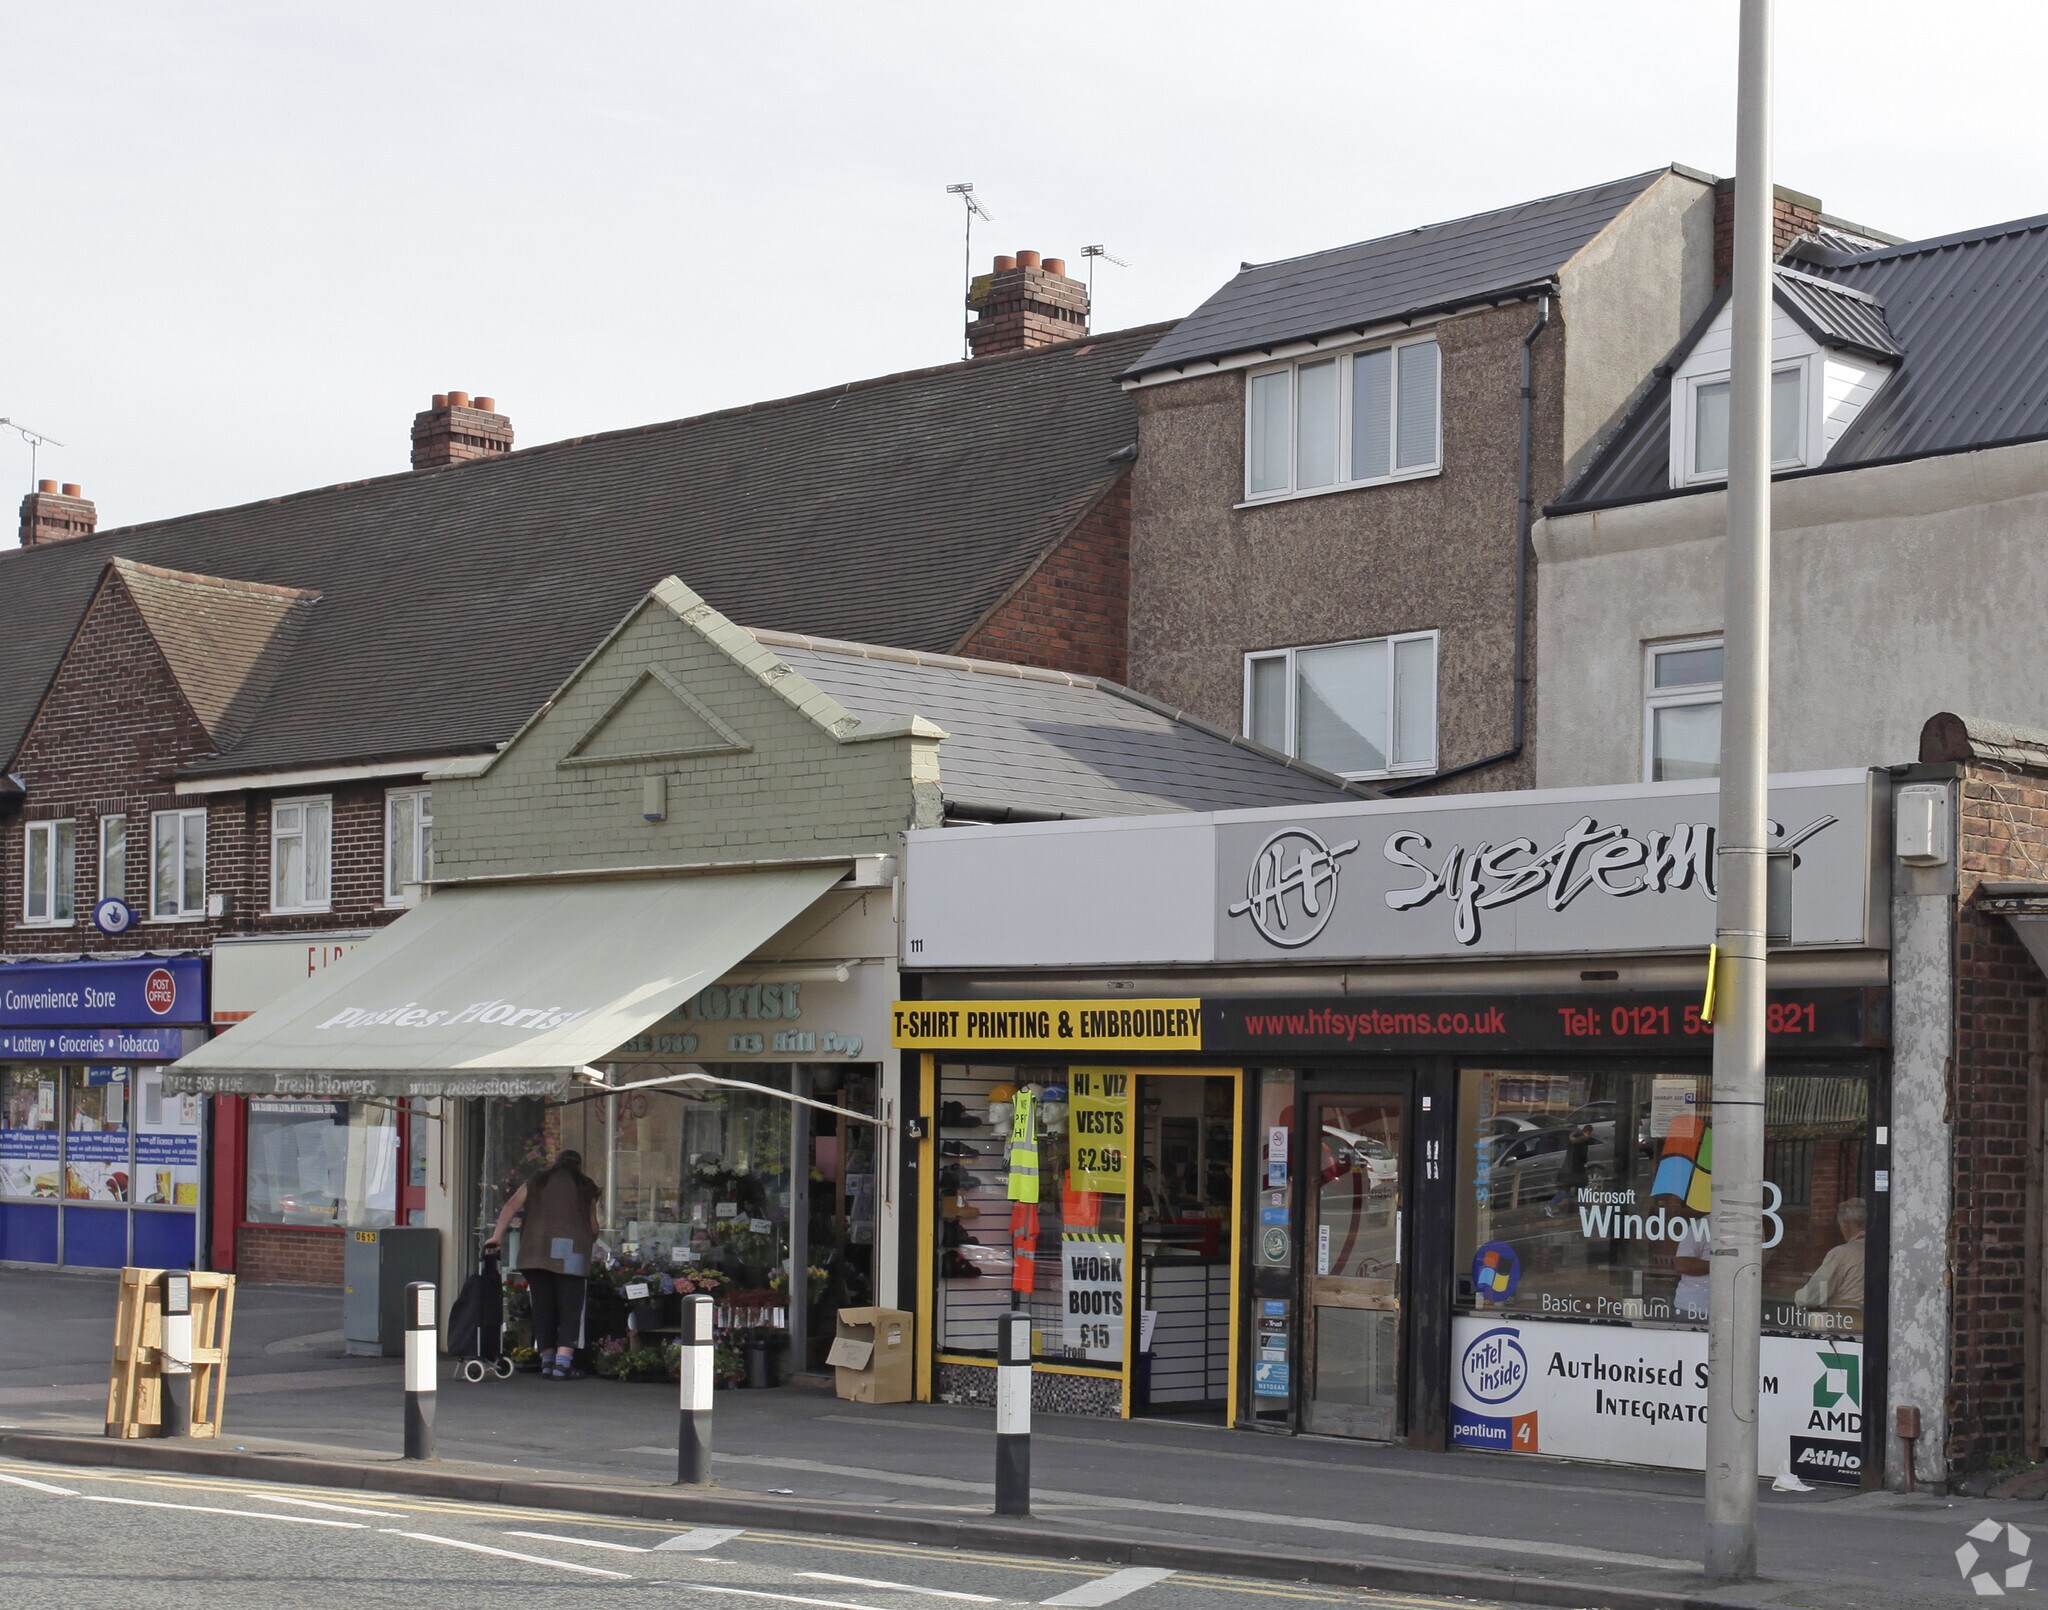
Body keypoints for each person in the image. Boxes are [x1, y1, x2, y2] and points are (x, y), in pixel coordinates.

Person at [486, 1150, 603, 1379]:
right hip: (572, 1256)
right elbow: (593, 1228)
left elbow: (511, 1206)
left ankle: (547, 1360)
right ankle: (562, 1364)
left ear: (556, 1164)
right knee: (570, 1308)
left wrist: (497, 1236)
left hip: (536, 1253)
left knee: (542, 1306)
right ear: (578, 1166)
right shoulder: (586, 1186)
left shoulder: (538, 1180)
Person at [1794, 1198, 1867, 1322]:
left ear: (1845, 1225)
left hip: (1845, 1324)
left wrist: (1795, 1297)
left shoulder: (1841, 1253)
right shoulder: (1882, 1250)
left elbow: (1810, 1297)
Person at [1670, 1196, 1711, 1320]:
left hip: (1737, 1308)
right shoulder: (1704, 1225)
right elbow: (1682, 1264)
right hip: (1695, 1307)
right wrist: (1722, 1265)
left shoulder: (1753, 1226)